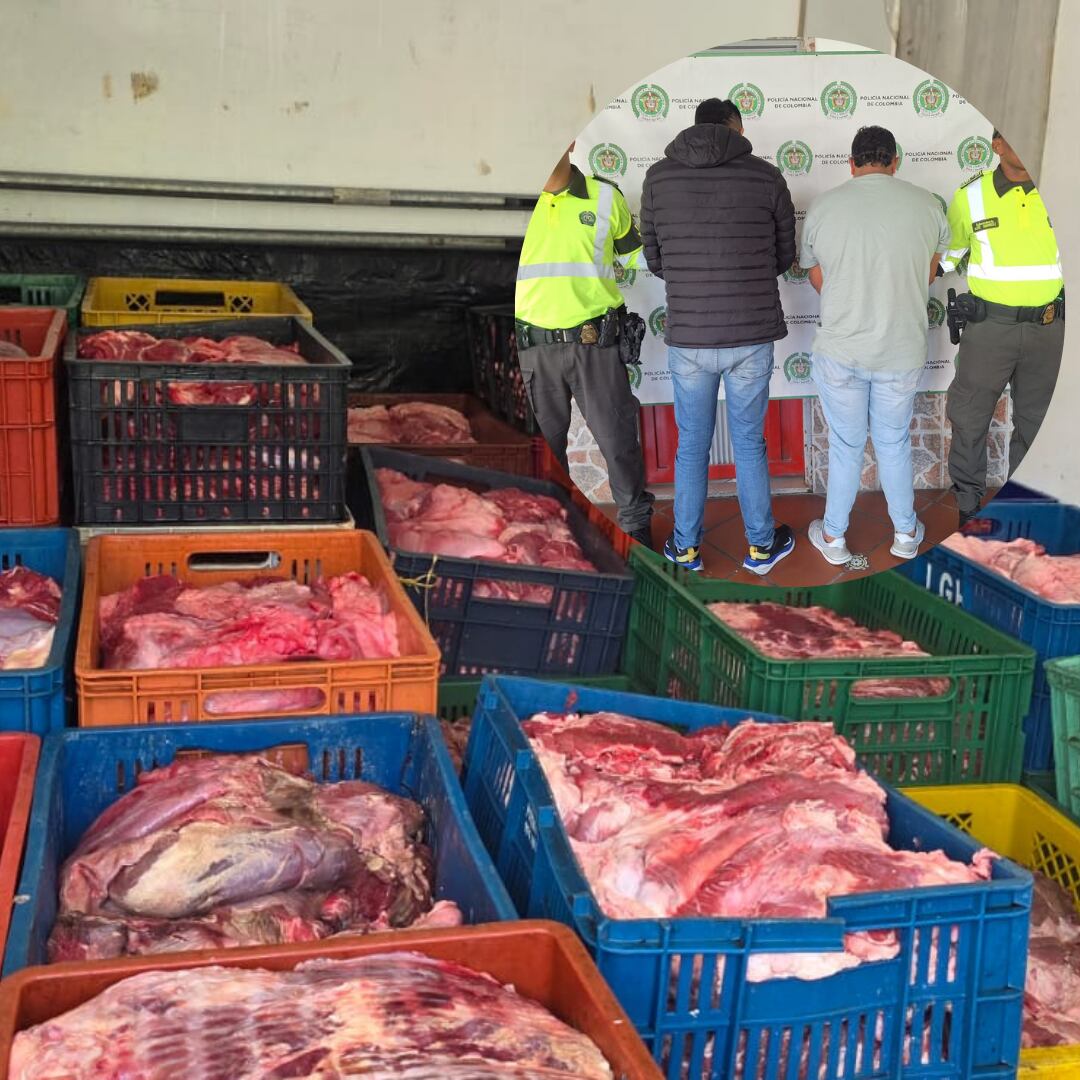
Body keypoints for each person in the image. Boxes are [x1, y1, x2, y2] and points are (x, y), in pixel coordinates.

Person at [640, 97, 796, 574]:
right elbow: (783, 255)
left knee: (691, 445)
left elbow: (655, 258)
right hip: (750, 335)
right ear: (737, 127)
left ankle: (684, 548)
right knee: (749, 442)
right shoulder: (765, 176)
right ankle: (761, 548)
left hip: (689, 336)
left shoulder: (658, 178)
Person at [799, 125, 949, 566]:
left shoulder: (824, 207)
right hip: (900, 352)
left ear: (851, 163)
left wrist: (850, 297)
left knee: (846, 446)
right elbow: (927, 273)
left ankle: (833, 538)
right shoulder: (927, 206)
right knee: (893, 443)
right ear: (895, 162)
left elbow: (816, 277)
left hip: (841, 351)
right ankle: (906, 533)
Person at [514, 141, 655, 547]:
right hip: (530, 352)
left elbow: (637, 257)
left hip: (594, 346)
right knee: (539, 454)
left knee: (618, 442)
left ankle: (637, 533)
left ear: (572, 140)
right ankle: (547, 539)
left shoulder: (606, 196)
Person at [941, 128, 1065, 526]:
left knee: (1038, 422)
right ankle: (967, 506)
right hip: (989, 327)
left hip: (1049, 329)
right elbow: (947, 259)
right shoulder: (970, 197)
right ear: (997, 145)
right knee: (970, 416)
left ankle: (1026, 511)